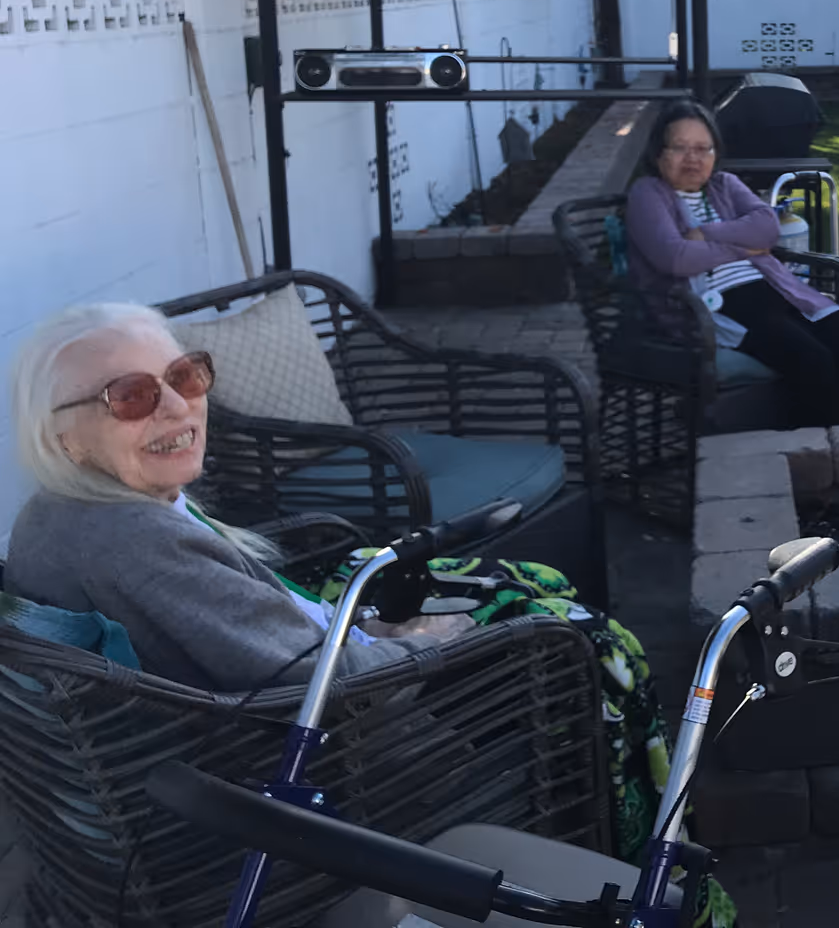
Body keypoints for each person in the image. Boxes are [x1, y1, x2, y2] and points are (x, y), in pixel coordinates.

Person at [2, 303, 732, 916]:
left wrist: (370, 627)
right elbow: (337, 682)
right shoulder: (131, 541)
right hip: (337, 783)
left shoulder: (54, 517)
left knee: (504, 588)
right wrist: (423, 641)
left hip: (225, 738)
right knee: (575, 643)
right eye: (129, 396)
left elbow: (244, 627)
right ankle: (619, 859)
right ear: (62, 433)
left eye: (184, 376)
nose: (175, 406)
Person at [625, 99, 839, 427]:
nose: (693, 159)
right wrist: (744, 249)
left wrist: (706, 233)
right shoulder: (647, 193)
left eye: (703, 149)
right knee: (812, 360)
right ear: (658, 153)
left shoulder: (724, 184)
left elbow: (768, 227)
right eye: (680, 148)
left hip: (776, 290)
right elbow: (676, 257)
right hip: (715, 306)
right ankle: (817, 458)